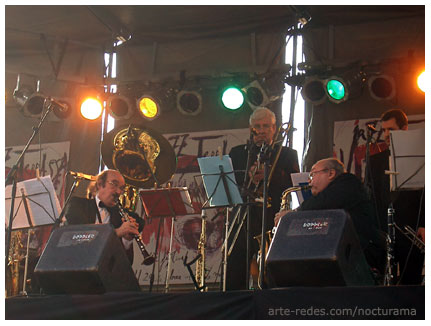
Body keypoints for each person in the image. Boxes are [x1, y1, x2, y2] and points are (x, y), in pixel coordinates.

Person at [275, 157, 386, 278]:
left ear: (331, 173)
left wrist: (293, 214)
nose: (309, 181)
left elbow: (322, 202)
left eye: (312, 175)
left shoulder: (348, 181)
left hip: (364, 254)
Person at [227, 107, 299, 290]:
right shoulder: (238, 153)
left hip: (272, 215)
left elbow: (294, 186)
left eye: (266, 126)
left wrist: (270, 177)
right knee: (236, 264)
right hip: (245, 215)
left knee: (271, 267)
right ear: (251, 129)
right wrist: (247, 176)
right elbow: (229, 182)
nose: (261, 130)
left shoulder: (287, 154)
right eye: (257, 126)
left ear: (274, 128)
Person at [369, 108, 424, 285]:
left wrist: (423, 224)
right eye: (384, 130)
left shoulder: (421, 159)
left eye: (390, 130)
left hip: (412, 228)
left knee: (411, 280)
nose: (386, 134)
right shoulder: (375, 161)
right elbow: (372, 197)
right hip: (384, 230)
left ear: (404, 129)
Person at [64, 169, 145, 263]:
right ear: (99, 184)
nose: (118, 192)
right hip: (78, 266)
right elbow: (79, 239)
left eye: (122, 188)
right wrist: (116, 233)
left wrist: (127, 240)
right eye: (114, 184)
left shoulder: (120, 216)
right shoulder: (77, 205)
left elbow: (126, 263)